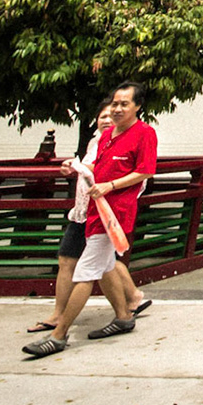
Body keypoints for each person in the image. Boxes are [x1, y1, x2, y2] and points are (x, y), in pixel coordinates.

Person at [23, 82, 158, 358]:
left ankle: (59, 335)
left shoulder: (144, 134)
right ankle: (122, 316)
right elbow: (100, 166)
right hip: (96, 208)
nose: (118, 109)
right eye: (115, 104)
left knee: (85, 273)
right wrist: (76, 168)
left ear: (138, 107)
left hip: (115, 213)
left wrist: (111, 186)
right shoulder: (108, 135)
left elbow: (144, 171)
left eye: (124, 104)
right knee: (106, 266)